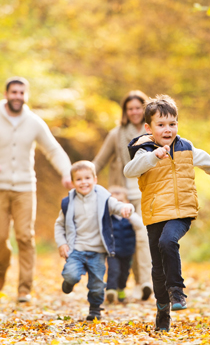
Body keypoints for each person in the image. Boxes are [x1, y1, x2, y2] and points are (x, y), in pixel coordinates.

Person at [124, 95, 210, 332]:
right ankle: (163, 308)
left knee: (168, 241)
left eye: (172, 124)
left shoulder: (186, 147)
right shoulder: (144, 151)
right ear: (148, 128)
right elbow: (129, 170)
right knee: (157, 267)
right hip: (155, 214)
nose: (167, 129)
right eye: (161, 125)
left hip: (182, 211)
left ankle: (177, 292)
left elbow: (205, 160)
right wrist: (153, 156)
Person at [0, 77, 73, 303]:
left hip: (25, 188)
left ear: (26, 96)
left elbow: (53, 150)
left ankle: (24, 288)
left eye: (21, 93)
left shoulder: (34, 122)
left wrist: (66, 173)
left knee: (25, 236)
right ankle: (2, 266)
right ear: (6, 94)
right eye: (13, 92)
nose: (17, 96)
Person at [55, 161, 135, 321]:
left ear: (95, 179)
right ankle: (68, 283)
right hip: (76, 249)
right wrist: (62, 243)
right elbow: (59, 225)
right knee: (71, 275)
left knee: (97, 285)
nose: (83, 182)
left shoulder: (104, 199)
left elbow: (118, 206)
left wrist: (127, 209)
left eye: (87, 178)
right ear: (72, 183)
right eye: (78, 179)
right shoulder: (68, 202)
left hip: (97, 251)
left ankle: (95, 309)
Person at [93, 90, 153, 301]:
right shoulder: (116, 134)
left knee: (143, 237)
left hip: (146, 192)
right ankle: (122, 284)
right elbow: (99, 161)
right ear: (125, 112)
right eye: (130, 109)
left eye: (138, 107)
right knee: (123, 240)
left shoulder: (154, 132)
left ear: (145, 109)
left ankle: (145, 282)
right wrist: (83, 178)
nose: (135, 112)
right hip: (122, 195)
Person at [105, 186, 145, 304]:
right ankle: (111, 290)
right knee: (114, 270)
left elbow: (140, 226)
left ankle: (121, 289)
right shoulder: (108, 217)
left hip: (128, 251)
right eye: (114, 202)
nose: (118, 206)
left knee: (124, 272)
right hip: (112, 251)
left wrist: (129, 213)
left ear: (127, 203)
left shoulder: (131, 218)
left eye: (120, 202)